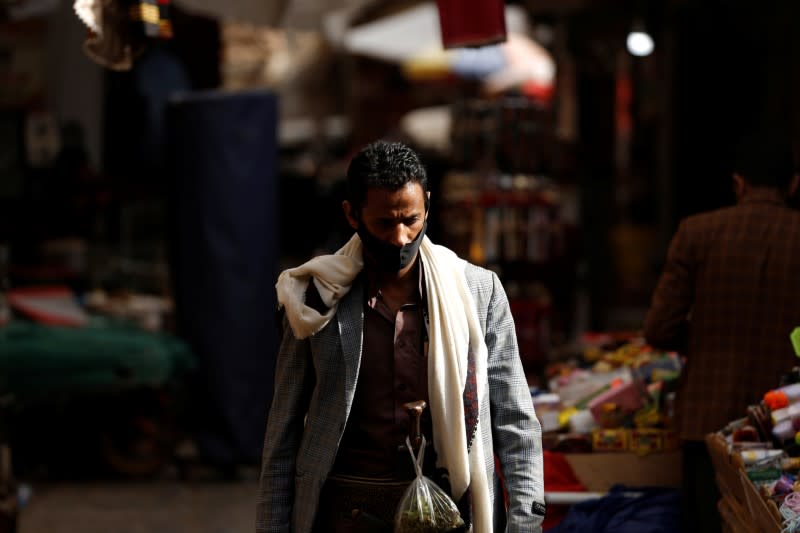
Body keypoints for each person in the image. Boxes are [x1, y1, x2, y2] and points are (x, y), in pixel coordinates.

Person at [256, 140, 545, 533]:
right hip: (348, 511)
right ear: (352, 215)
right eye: (385, 223)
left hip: (453, 510)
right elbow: (283, 430)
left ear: (427, 205)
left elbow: (515, 419)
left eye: (410, 219)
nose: (401, 238)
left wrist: (525, 522)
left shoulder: (478, 292)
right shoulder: (312, 298)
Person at [643, 134, 800, 533]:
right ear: (793, 184)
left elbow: (660, 328)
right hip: (784, 425)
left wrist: (707, 339)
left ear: (738, 183)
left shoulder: (697, 232)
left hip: (705, 420)